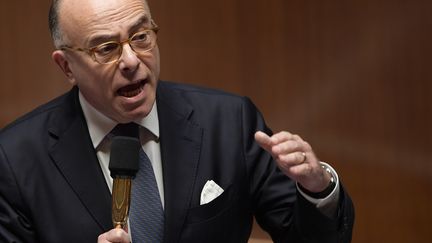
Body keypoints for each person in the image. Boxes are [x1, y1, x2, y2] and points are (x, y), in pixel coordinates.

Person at [0, 0, 354, 242]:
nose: (131, 60)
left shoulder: (228, 123)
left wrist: (316, 189)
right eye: (105, 48)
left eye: (141, 37)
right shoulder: (16, 160)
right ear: (66, 67)